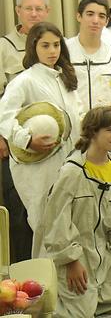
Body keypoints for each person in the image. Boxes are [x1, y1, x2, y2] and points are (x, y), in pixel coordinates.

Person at [34, 106, 111, 317]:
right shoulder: (72, 171)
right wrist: (70, 261)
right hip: (73, 258)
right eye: (110, 130)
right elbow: (55, 222)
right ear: (92, 132)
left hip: (103, 258)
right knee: (75, 312)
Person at [0, 22, 81, 246]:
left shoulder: (66, 78)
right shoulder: (24, 81)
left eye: (56, 45)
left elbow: (78, 114)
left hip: (70, 160)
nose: (52, 51)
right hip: (38, 165)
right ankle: (47, 278)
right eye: (45, 45)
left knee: (70, 220)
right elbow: (3, 117)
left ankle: (70, 279)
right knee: (44, 220)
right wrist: (26, 140)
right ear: (33, 47)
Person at [0, 0, 51, 262]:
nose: (34, 13)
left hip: (52, 145)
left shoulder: (54, 43)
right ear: (18, 11)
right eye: (28, 8)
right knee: (19, 210)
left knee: (50, 207)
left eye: (39, 8)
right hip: (15, 144)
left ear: (48, 12)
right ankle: (22, 273)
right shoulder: (3, 47)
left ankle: (53, 272)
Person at [67, 0, 111, 117]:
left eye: (101, 16)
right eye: (90, 14)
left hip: (107, 129)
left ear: (107, 21)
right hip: (74, 129)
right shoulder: (64, 53)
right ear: (79, 16)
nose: (95, 21)